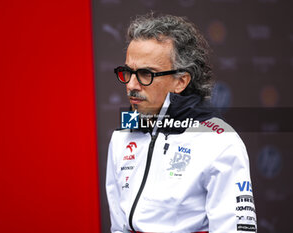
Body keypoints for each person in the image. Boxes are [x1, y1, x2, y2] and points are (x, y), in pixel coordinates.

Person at [106, 13, 257, 233]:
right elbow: (118, 226)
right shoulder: (122, 135)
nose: (131, 84)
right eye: (127, 72)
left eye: (146, 74)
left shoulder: (220, 140)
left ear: (181, 81)